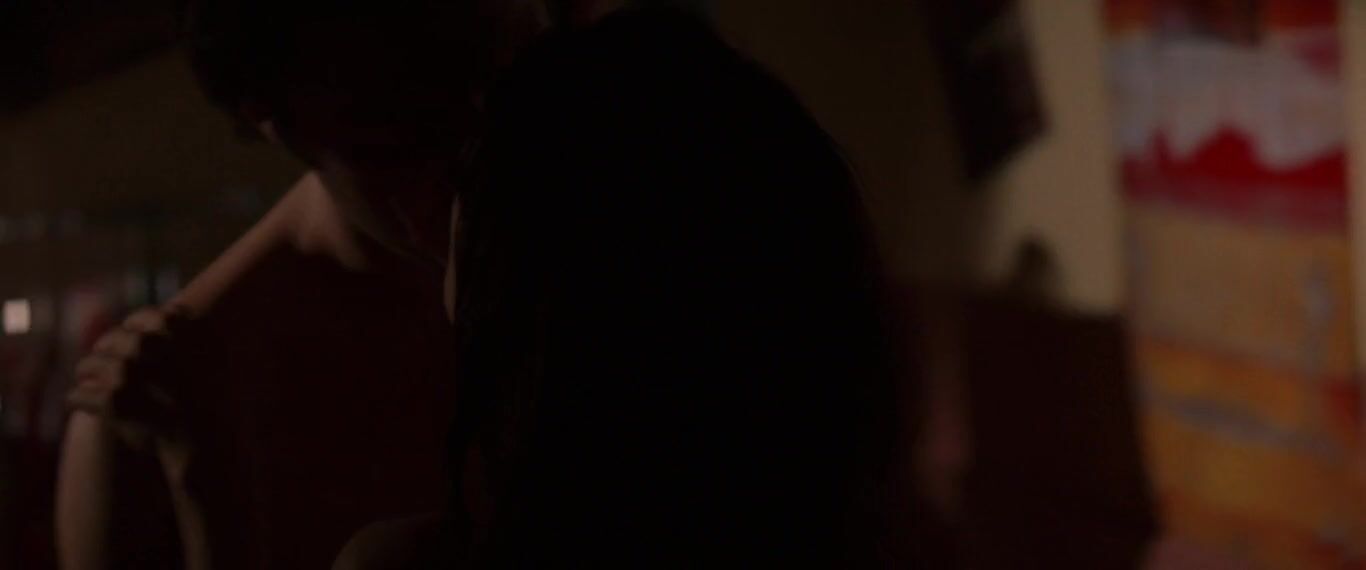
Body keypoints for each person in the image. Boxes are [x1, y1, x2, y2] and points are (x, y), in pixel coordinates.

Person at [64, 1, 904, 568]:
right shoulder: (173, 399)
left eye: (508, 88)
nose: (478, 167)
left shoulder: (673, 234)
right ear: (276, 118)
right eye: (409, 134)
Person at [57, 0, 551, 567]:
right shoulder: (165, 395)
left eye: (483, 107)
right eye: (394, 143)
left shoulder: (574, 273)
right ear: (273, 116)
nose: (458, 175)